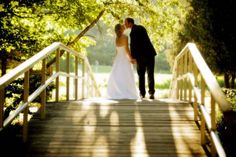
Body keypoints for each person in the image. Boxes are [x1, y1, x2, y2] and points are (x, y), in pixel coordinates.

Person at [124, 17, 157, 99]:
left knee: (141, 75)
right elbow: (146, 41)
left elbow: (133, 46)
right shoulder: (142, 27)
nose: (124, 24)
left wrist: (133, 57)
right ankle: (151, 93)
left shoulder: (132, 32)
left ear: (130, 23)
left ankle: (142, 93)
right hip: (150, 54)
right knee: (150, 74)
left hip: (141, 56)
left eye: (126, 23)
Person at [106, 23, 139, 100]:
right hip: (124, 58)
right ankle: (125, 92)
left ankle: (118, 92)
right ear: (120, 29)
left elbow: (117, 51)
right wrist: (131, 58)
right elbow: (127, 49)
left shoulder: (116, 39)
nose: (123, 26)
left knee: (118, 75)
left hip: (118, 59)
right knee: (126, 75)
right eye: (122, 26)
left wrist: (115, 59)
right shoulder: (125, 37)